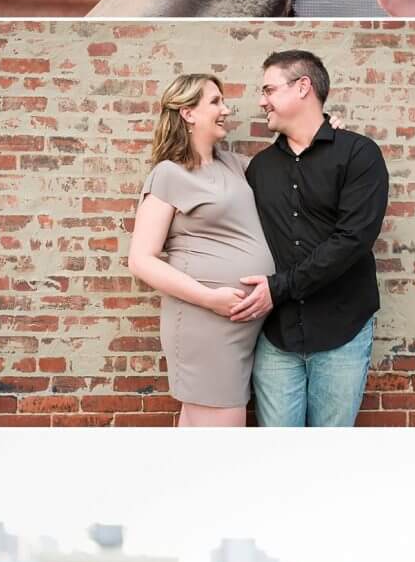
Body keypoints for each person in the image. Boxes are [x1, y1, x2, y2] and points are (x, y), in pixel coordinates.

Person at [230, 50, 389, 429]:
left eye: (269, 89)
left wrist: (278, 287)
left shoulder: (358, 155)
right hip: (276, 336)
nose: (261, 100)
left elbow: (352, 240)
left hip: (342, 331)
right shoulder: (261, 169)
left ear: (303, 87)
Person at [128, 74, 274, 428]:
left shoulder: (232, 164)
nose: (226, 109)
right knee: (222, 430)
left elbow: (290, 169)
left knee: (199, 430)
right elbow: (141, 260)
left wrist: (326, 132)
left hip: (235, 323)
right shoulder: (169, 174)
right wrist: (210, 299)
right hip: (204, 320)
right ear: (188, 114)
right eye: (215, 102)